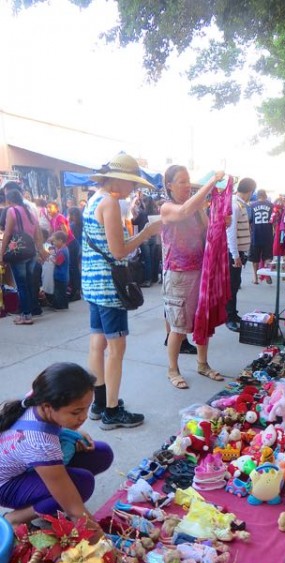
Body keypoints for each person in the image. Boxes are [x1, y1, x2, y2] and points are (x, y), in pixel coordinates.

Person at [82, 152, 161, 429]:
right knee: (116, 348)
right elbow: (119, 251)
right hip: (109, 286)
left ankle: (99, 402)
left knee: (97, 343)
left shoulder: (92, 200)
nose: (134, 189)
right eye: (132, 183)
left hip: (92, 283)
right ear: (118, 180)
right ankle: (112, 411)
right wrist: (148, 232)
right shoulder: (111, 203)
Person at [0, 362, 113, 537]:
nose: (83, 417)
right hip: (6, 486)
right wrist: (107, 549)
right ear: (47, 407)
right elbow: (75, 511)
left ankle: (48, 502)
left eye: (86, 409)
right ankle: (15, 518)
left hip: (22, 464)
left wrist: (68, 430)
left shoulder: (40, 396)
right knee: (81, 484)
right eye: (76, 413)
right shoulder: (39, 443)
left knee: (101, 453)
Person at [161, 165, 225, 389]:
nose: (187, 186)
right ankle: (173, 369)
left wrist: (219, 225)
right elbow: (183, 211)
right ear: (169, 185)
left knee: (202, 320)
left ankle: (202, 363)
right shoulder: (167, 208)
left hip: (200, 270)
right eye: (181, 181)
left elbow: (208, 231)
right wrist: (212, 182)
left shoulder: (197, 209)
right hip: (178, 273)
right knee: (178, 326)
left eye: (188, 181)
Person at [0, 189, 47, 325]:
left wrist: (1, 254)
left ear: (9, 200)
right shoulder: (30, 212)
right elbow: (37, 234)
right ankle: (28, 312)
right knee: (28, 283)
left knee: (21, 285)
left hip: (18, 252)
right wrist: (41, 251)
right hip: (31, 251)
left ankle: (26, 315)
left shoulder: (12, 211)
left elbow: (8, 233)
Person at [225, 177, 256, 332]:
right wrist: (235, 255)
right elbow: (230, 232)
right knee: (232, 285)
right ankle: (229, 317)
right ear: (250, 191)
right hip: (233, 253)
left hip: (238, 252)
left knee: (235, 284)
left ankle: (232, 313)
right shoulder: (235, 205)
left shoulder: (241, 205)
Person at [47, 201, 81, 301]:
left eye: (50, 207)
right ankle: (72, 290)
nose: (48, 210)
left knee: (73, 268)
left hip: (70, 244)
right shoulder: (52, 219)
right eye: (47, 208)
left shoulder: (60, 217)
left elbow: (65, 232)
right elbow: (52, 233)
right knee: (70, 268)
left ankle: (77, 291)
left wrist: (62, 246)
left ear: (57, 208)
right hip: (64, 245)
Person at [248, 189, 274, 284]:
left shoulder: (252, 205)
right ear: (265, 195)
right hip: (267, 235)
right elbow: (274, 220)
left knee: (255, 258)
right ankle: (267, 275)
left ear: (257, 196)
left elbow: (249, 220)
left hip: (256, 235)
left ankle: (255, 277)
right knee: (267, 257)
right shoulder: (271, 205)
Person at [49, 230, 70, 310]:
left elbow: (58, 263)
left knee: (58, 292)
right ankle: (64, 305)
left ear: (60, 240)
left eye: (54, 241)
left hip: (60, 276)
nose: (53, 243)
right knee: (63, 292)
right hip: (64, 275)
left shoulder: (62, 251)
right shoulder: (65, 249)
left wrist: (51, 258)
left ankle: (59, 306)